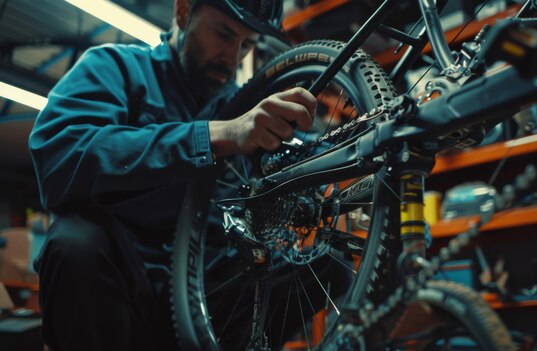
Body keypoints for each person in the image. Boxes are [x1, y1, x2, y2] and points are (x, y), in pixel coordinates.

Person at [28, 1, 340, 350]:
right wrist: (218, 135)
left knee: (330, 263)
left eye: (247, 45)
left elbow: (304, 153)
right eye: (223, 34)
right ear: (182, 12)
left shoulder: (241, 107)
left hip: (208, 294)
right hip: (124, 291)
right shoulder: (114, 68)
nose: (232, 56)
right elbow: (62, 157)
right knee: (75, 242)